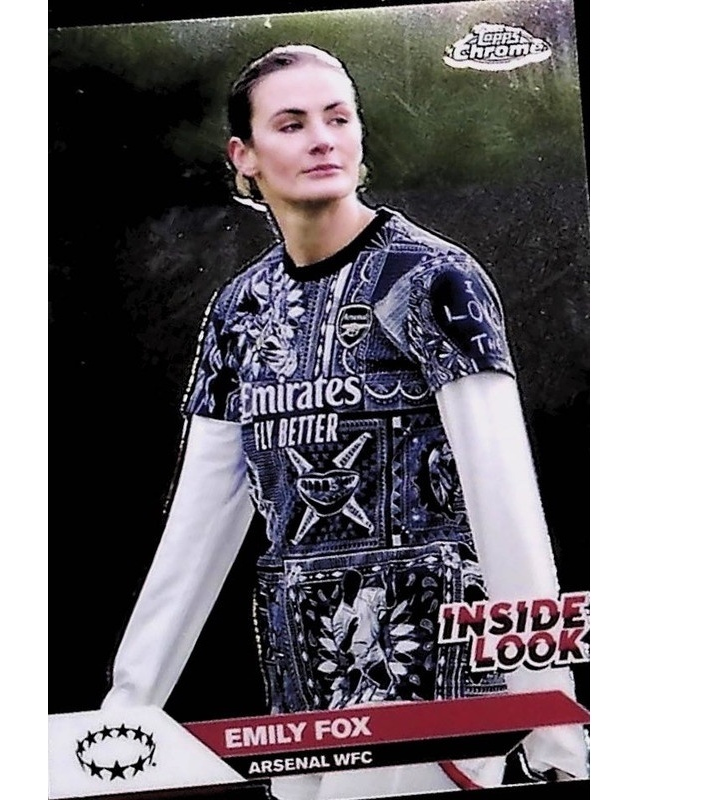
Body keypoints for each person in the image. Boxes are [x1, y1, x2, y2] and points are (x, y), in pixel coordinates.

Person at [102, 44, 587, 798]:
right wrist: (127, 711)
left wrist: (549, 713)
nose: (322, 139)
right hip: (298, 688)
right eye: (292, 124)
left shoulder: (434, 280)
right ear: (244, 156)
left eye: (338, 118)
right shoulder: (238, 311)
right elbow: (196, 528)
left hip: (433, 675)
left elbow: (505, 503)